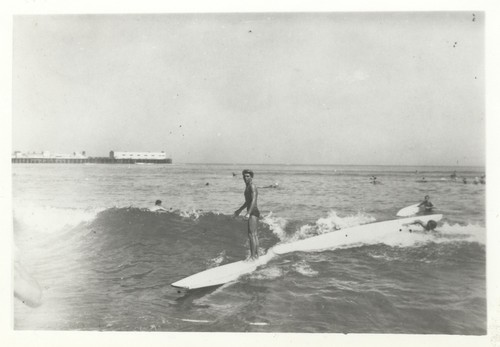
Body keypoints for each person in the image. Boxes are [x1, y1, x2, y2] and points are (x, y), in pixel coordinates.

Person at [233, 169, 260, 260]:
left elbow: (253, 200)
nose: (245, 178)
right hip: (253, 211)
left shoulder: (252, 186)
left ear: (251, 177)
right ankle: (256, 255)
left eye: (247, 176)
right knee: (254, 234)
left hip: (253, 212)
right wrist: (239, 210)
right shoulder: (247, 186)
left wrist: (248, 213)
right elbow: (247, 202)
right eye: (244, 176)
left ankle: (252, 257)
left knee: (251, 234)